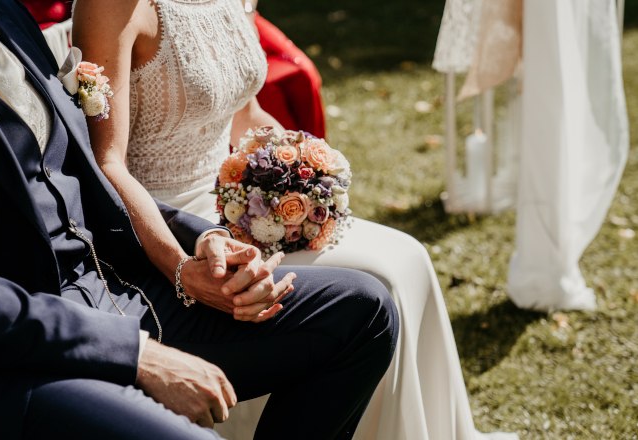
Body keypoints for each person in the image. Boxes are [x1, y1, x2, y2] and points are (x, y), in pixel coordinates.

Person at [0, 1, 399, 439]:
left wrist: (201, 244)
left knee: (363, 312)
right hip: (8, 365)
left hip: (119, 293)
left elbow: (80, 175)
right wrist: (135, 354)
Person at [70, 0, 517, 438]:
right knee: (383, 279)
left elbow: (245, 114)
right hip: (167, 221)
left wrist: (305, 170)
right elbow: (107, 163)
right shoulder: (113, 6)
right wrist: (183, 269)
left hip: (240, 201)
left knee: (411, 256)